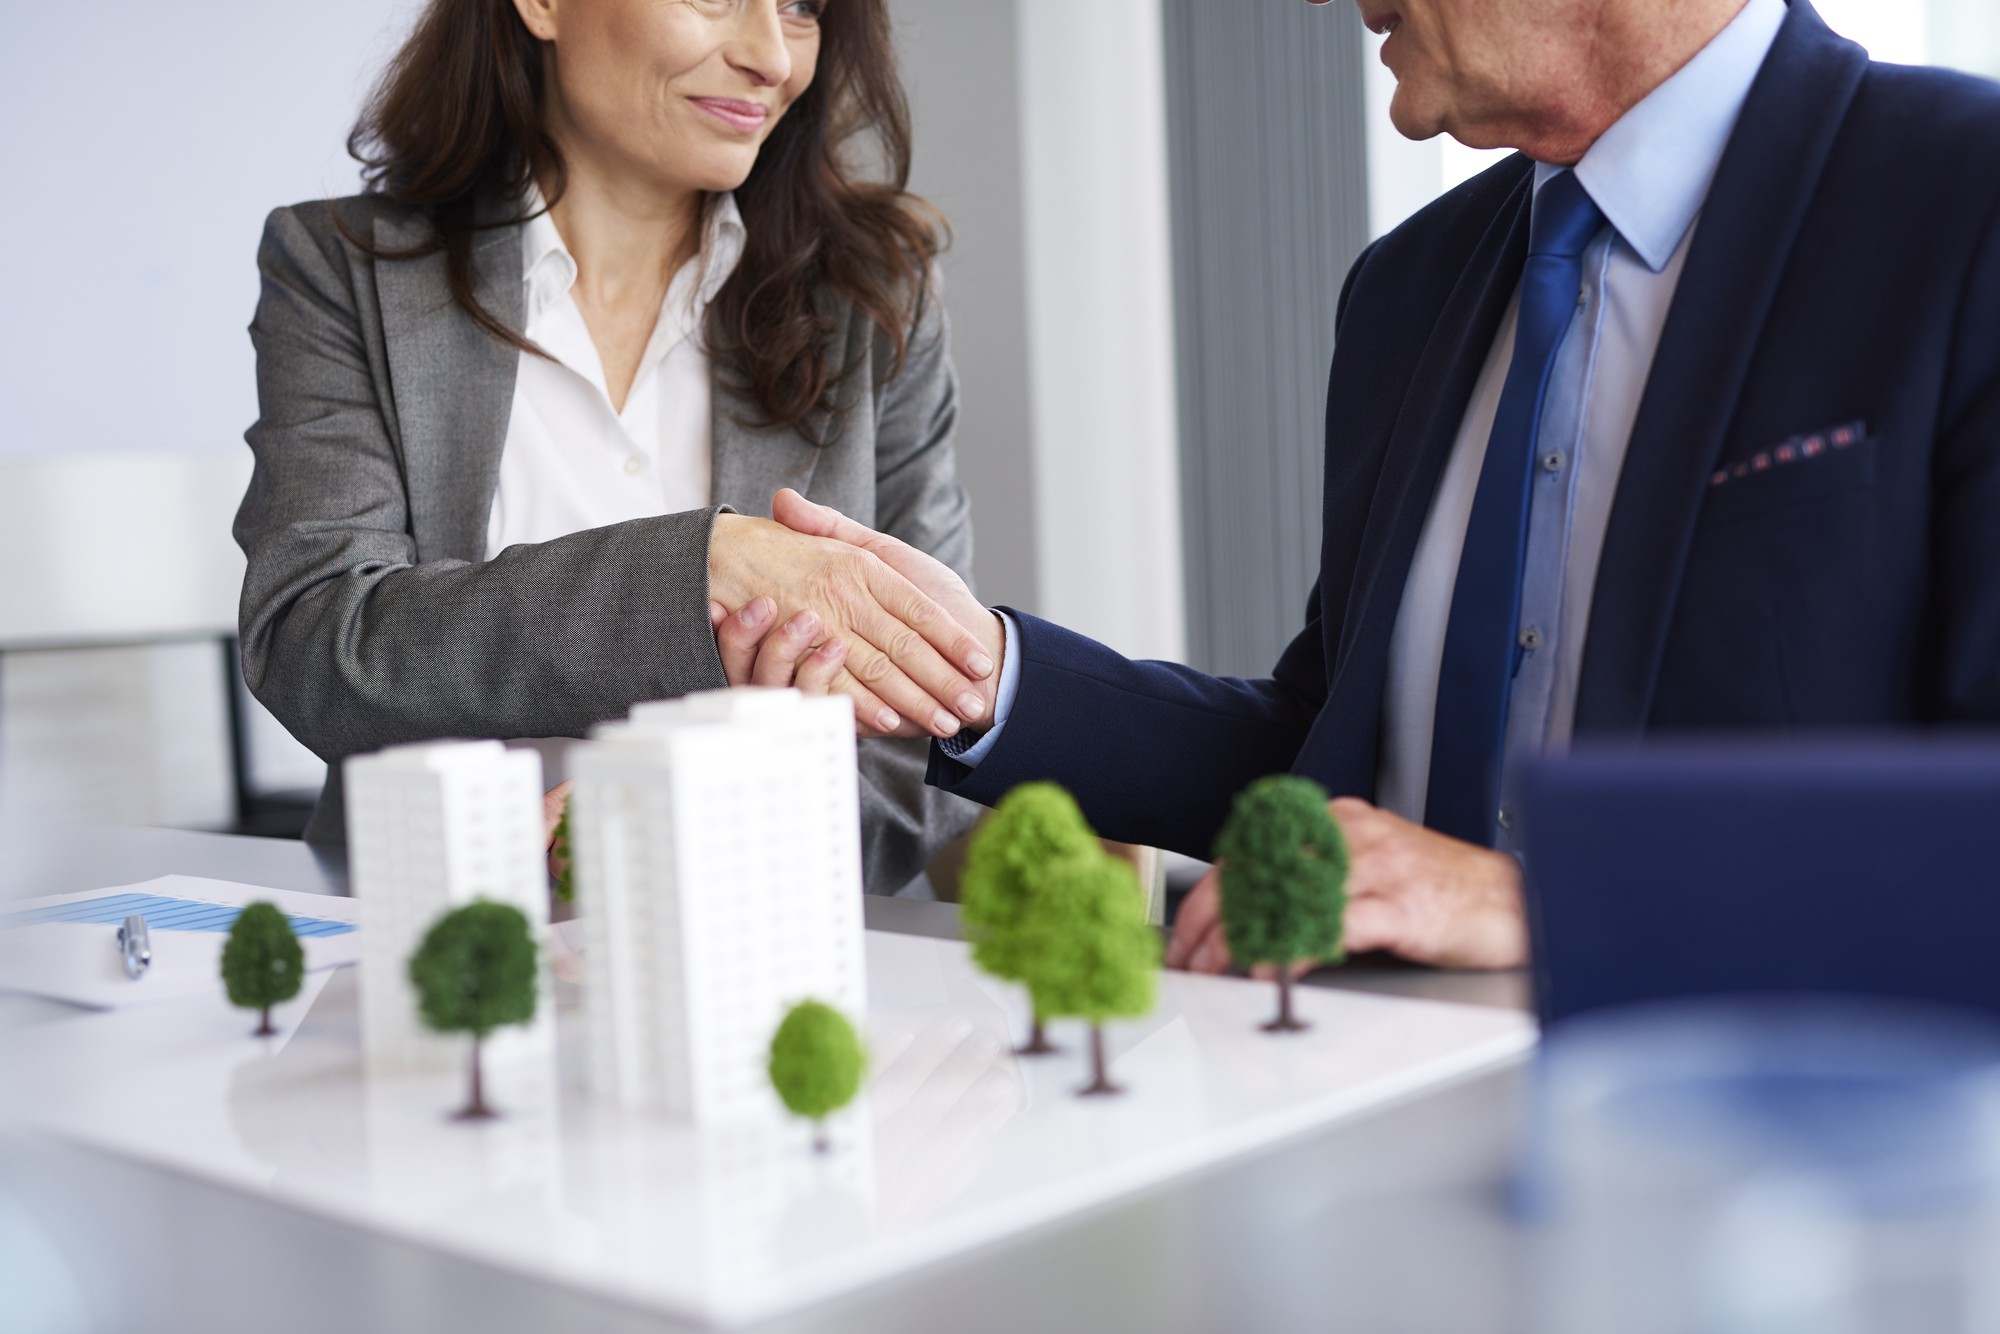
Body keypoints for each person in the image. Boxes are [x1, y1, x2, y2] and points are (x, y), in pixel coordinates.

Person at [733, 0, 2000, 962]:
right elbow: (1328, 752)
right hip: (1372, 1125)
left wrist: (1552, 896)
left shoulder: (1961, 202)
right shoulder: (1408, 287)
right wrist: (975, 676)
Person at [235, 0, 996, 891]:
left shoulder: (871, 300)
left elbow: (943, 723)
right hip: (441, 947)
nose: (771, 56)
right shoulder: (344, 268)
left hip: (761, 958)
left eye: (802, 7)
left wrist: (701, 832)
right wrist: (698, 571)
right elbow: (319, 644)